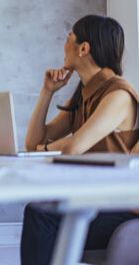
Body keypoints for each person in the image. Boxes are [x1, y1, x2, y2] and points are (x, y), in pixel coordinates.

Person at [21, 14, 139, 265]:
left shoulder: (118, 94)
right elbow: (32, 144)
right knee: (38, 211)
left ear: (84, 48)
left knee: (40, 214)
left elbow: (74, 147)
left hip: (122, 207)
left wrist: (44, 149)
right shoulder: (83, 95)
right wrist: (47, 92)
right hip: (97, 198)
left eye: (68, 39)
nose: (64, 46)